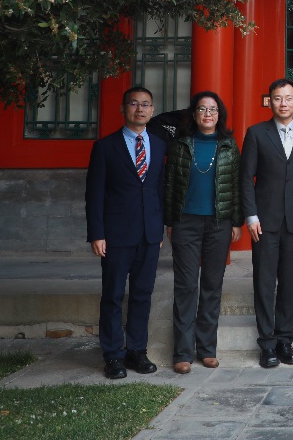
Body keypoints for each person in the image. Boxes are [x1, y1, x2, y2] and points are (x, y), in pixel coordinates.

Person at [85, 86, 166, 379]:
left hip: (149, 234)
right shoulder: (106, 147)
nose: (140, 109)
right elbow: (94, 194)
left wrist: (159, 229)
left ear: (152, 110)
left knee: (143, 294)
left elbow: (158, 189)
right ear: (123, 109)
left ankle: (136, 351)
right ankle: (113, 355)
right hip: (116, 235)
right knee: (113, 295)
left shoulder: (159, 145)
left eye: (145, 104)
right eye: (134, 104)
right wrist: (97, 234)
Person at [163, 91, 243, 374]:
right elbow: (170, 184)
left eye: (213, 109)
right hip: (186, 223)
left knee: (212, 285)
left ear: (219, 115)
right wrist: (170, 221)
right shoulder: (180, 145)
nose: (207, 114)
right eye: (202, 109)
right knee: (185, 285)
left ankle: (207, 349)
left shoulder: (229, 145)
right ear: (194, 114)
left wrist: (236, 221)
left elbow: (235, 186)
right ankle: (183, 352)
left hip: (219, 223)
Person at [241, 79, 293, 368]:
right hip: (264, 220)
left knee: (289, 282)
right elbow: (246, 178)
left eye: (288, 98)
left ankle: (285, 339)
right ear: (269, 102)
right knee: (264, 282)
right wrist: (251, 215)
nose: (283, 103)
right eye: (277, 98)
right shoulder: (256, 133)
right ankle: (267, 343)